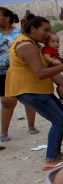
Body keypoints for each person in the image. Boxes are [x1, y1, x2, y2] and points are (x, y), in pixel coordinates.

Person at [6, 16, 63, 170]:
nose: (47, 34)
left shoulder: (32, 44)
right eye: (45, 30)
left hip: (38, 90)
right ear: (33, 29)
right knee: (59, 120)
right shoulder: (26, 45)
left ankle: (56, 153)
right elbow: (39, 72)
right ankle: (50, 159)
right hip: (30, 91)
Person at [1, 7, 38, 142]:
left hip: (19, 71)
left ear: (7, 18)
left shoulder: (18, 35)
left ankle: (31, 126)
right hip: (1, 74)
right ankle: (3, 132)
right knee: (6, 102)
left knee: (27, 98)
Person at [41, 33, 63, 106]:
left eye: (57, 41)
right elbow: (46, 56)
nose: (56, 43)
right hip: (50, 70)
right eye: (53, 41)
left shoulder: (53, 50)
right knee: (61, 83)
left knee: (62, 83)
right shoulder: (47, 49)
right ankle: (62, 97)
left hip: (53, 69)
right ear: (46, 42)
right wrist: (53, 61)